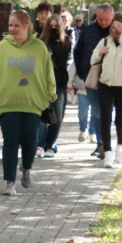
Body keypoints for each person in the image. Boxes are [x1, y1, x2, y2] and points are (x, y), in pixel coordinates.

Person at [0, 10, 56, 195]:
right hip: (7, 102)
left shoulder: (39, 47)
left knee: (30, 140)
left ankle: (26, 168)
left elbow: (48, 72)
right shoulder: (1, 47)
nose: (12, 29)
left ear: (27, 26)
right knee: (10, 141)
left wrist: (50, 93)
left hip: (32, 102)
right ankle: (9, 182)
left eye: (16, 25)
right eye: (10, 25)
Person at [92, 14, 122, 167]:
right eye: (113, 26)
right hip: (105, 84)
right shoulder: (105, 41)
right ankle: (108, 154)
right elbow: (93, 60)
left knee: (120, 120)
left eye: (118, 26)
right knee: (105, 118)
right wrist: (100, 53)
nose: (115, 29)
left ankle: (120, 148)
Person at [75, 4, 115, 158]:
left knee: (108, 113)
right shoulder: (88, 31)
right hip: (91, 77)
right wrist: (82, 73)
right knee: (97, 112)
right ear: (95, 16)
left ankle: (106, 143)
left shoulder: (118, 32)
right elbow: (78, 52)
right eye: (100, 19)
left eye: (106, 19)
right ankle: (101, 144)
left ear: (112, 17)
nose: (103, 22)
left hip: (112, 79)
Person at [37, 12, 72, 157]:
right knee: (42, 114)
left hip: (59, 81)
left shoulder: (66, 41)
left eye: (56, 26)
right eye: (51, 26)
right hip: (42, 82)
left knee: (57, 115)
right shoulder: (40, 41)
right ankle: (39, 144)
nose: (53, 28)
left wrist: (57, 39)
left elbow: (63, 59)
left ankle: (51, 144)